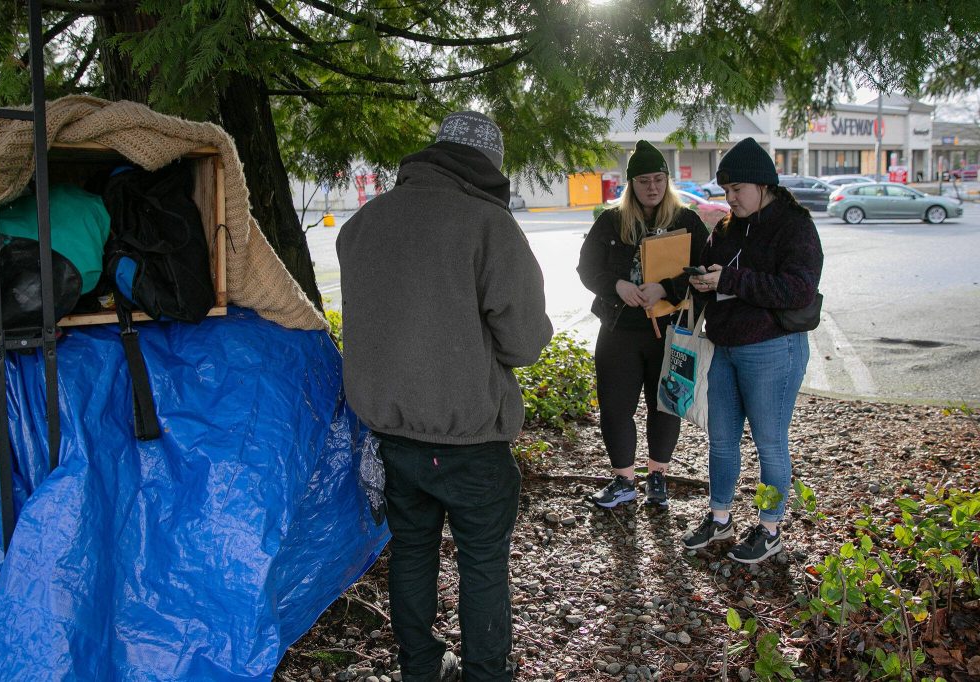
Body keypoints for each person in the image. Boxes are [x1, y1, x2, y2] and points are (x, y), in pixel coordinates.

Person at [337, 111, 553, 682]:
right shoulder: (488, 225)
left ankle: (421, 667)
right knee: (482, 564)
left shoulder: (364, 223)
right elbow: (527, 341)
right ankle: (486, 673)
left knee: (412, 550)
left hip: (391, 437)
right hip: (470, 439)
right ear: (489, 165)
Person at [681, 137, 823, 564]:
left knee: (770, 443)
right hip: (724, 347)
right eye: (725, 191)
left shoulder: (794, 226)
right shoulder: (726, 227)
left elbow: (798, 290)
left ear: (764, 185)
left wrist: (729, 280)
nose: (730, 198)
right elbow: (715, 272)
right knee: (721, 441)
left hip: (772, 349)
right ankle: (720, 518)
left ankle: (770, 527)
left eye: (737, 189)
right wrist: (702, 279)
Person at [577, 141, 708, 509]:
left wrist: (666, 288)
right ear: (631, 184)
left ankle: (657, 477)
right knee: (615, 407)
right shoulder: (611, 221)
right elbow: (587, 268)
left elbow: (703, 272)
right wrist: (617, 286)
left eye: (659, 179)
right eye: (644, 180)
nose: (652, 187)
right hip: (619, 330)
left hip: (669, 332)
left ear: (667, 181)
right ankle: (623, 481)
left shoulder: (686, 221)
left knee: (664, 405)